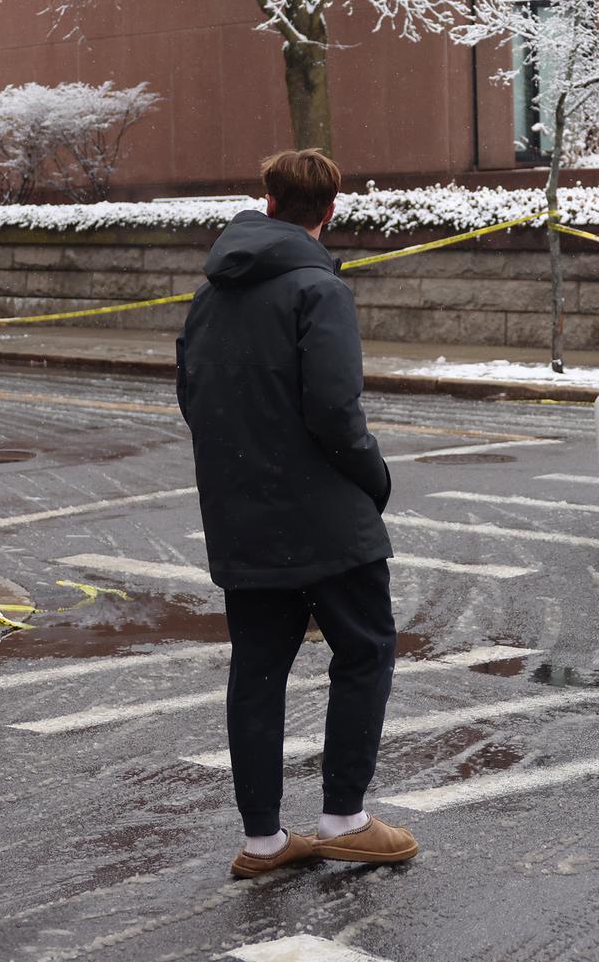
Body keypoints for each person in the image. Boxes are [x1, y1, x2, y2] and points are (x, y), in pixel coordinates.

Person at [177, 148, 421, 880]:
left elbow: (195, 396)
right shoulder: (319, 288)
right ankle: (344, 816)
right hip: (323, 515)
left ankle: (262, 839)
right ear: (331, 210)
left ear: (268, 199)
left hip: (241, 511)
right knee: (366, 647)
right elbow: (335, 411)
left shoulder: (211, 292)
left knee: (257, 669)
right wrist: (373, 478)